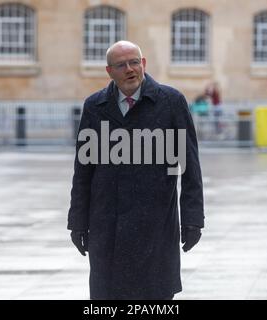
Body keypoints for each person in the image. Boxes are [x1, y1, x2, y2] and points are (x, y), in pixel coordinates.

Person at [67, 41, 204, 300]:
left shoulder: (171, 102)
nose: (130, 70)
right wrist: (77, 222)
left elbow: (189, 166)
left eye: (134, 62)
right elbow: (83, 171)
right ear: (109, 71)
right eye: (121, 65)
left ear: (143, 64)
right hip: (106, 225)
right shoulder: (95, 106)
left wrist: (193, 219)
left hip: (155, 226)